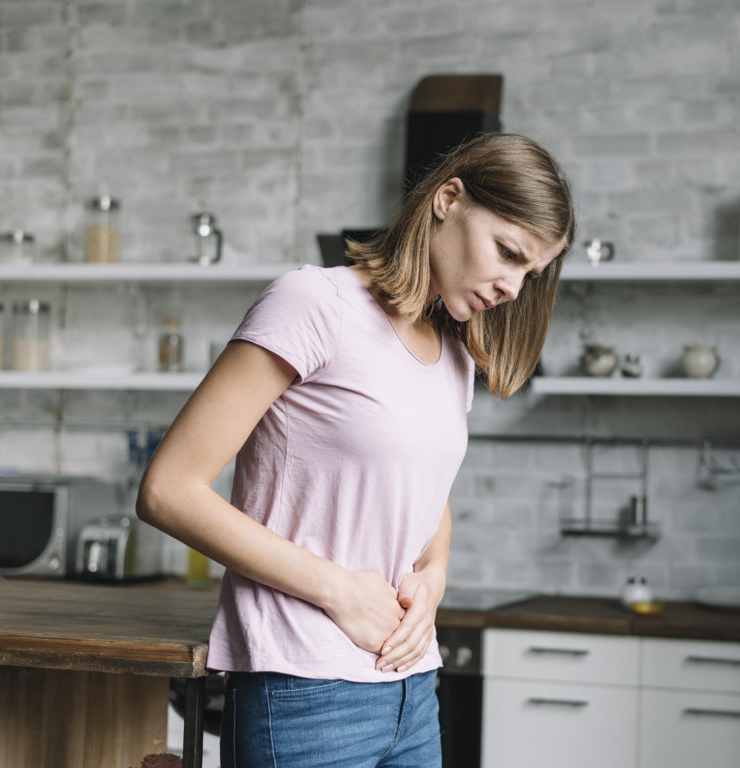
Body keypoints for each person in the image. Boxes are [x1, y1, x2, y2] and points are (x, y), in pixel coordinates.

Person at [136, 132, 575, 767]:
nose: (512, 286)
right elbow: (168, 490)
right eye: (507, 252)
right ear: (448, 199)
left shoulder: (455, 349)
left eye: (529, 273)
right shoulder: (314, 303)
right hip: (302, 690)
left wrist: (435, 575)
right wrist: (340, 591)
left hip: (413, 689)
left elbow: (426, 494)